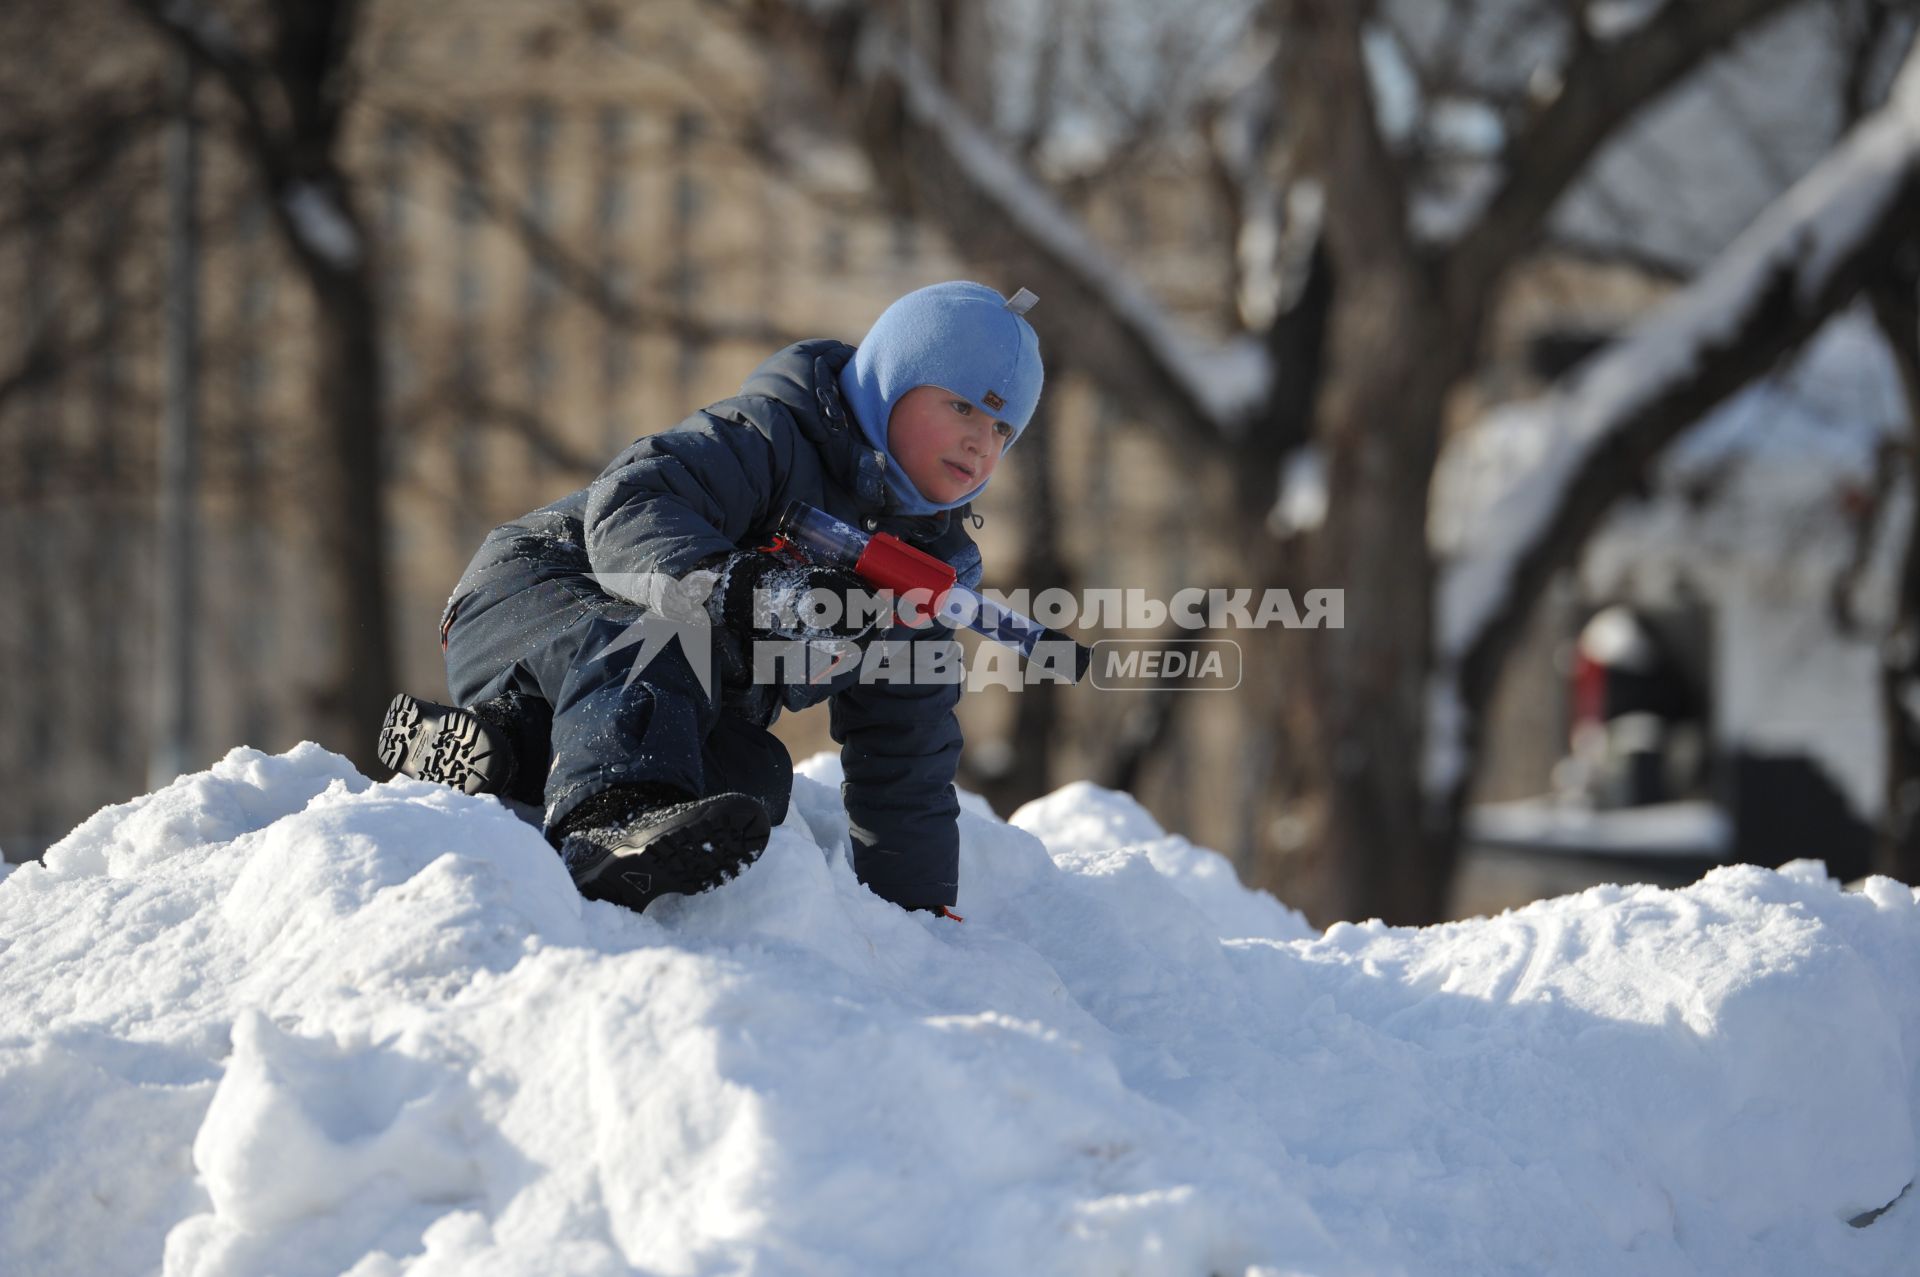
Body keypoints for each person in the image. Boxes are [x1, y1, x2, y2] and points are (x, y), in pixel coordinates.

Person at [378, 281, 1044, 917]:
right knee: (653, 643)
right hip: (538, 593)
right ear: (893, 378)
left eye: (1002, 431)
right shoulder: (770, 438)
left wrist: (916, 901)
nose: (979, 443)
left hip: (634, 687)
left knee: (753, 776)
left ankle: (505, 748)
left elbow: (907, 743)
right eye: (964, 406)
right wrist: (747, 587)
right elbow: (631, 506)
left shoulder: (918, 579)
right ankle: (608, 822)